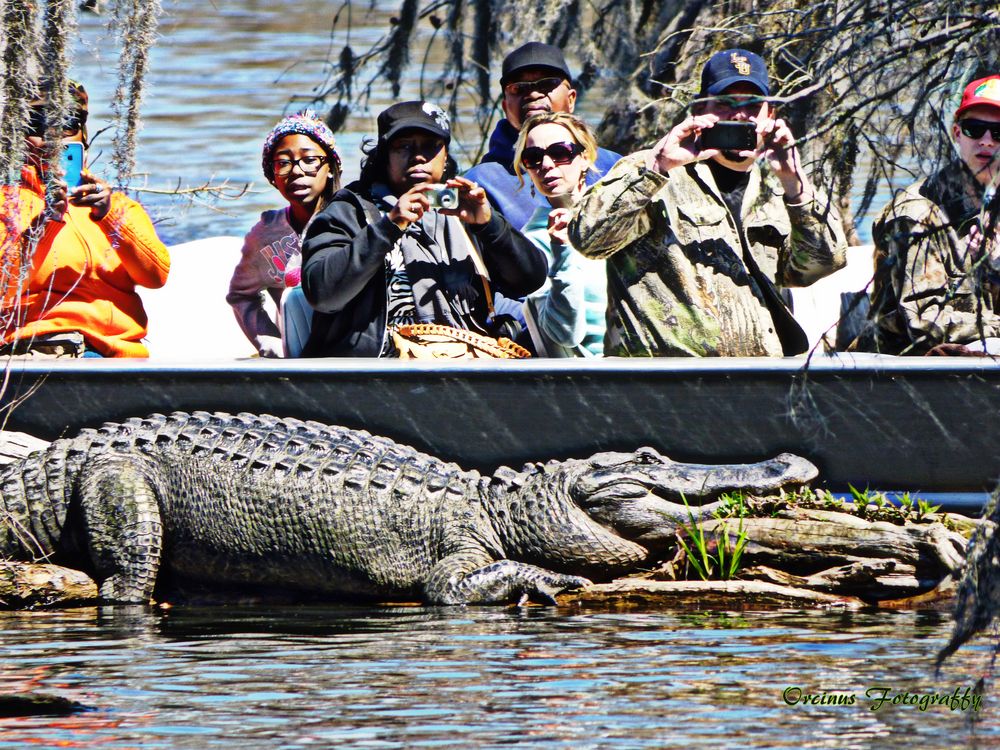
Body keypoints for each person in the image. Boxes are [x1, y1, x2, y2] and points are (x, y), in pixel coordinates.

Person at [569, 48, 847, 357]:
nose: (740, 115)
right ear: (700, 111)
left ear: (771, 115)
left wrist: (794, 181)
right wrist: (657, 167)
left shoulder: (780, 188)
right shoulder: (652, 173)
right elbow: (588, 239)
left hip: (760, 380)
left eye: (753, 106)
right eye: (726, 105)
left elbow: (820, 265)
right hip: (664, 385)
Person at [298, 100, 547, 357]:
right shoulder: (349, 210)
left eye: (431, 147)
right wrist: (388, 227)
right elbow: (322, 294)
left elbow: (530, 281)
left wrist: (489, 225)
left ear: (445, 155)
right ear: (384, 156)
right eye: (404, 146)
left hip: (463, 360)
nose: (418, 156)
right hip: (375, 368)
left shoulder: (463, 207)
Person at [0, 79, 170, 358]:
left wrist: (109, 217)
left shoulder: (119, 206)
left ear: (83, 136)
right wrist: (44, 225)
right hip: (36, 349)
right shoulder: (6, 205)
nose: (54, 137)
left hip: (118, 353)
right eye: (38, 123)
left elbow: (155, 276)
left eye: (67, 122)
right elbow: (4, 286)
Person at [859, 75, 1000, 356]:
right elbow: (922, 321)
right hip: (904, 375)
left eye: (999, 133)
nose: (986, 141)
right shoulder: (917, 215)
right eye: (975, 129)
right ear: (957, 134)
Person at [464, 41, 620, 231]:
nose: (533, 94)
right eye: (518, 88)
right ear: (505, 106)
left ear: (571, 99)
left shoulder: (612, 165)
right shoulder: (480, 182)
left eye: (547, 84)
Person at [227, 111, 341, 357]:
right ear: (272, 176)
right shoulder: (265, 234)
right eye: (283, 162)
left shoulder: (355, 220)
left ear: (330, 167)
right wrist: (273, 346)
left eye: (309, 160)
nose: (297, 171)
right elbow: (241, 295)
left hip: (355, 355)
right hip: (298, 360)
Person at [512, 112, 606, 356]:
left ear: (584, 157)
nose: (546, 165)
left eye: (559, 153)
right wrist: (561, 250)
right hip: (598, 375)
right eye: (533, 158)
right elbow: (565, 334)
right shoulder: (533, 242)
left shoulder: (616, 211)